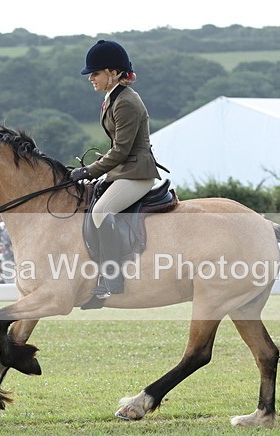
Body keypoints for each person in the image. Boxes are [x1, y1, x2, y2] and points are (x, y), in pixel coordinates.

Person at [69, 39, 162, 299]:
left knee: (101, 210)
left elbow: (120, 151)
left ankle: (113, 278)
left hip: (137, 173)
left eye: (95, 73)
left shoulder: (126, 102)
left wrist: (89, 171)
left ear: (113, 73)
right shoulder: (113, 98)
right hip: (122, 171)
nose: (91, 79)